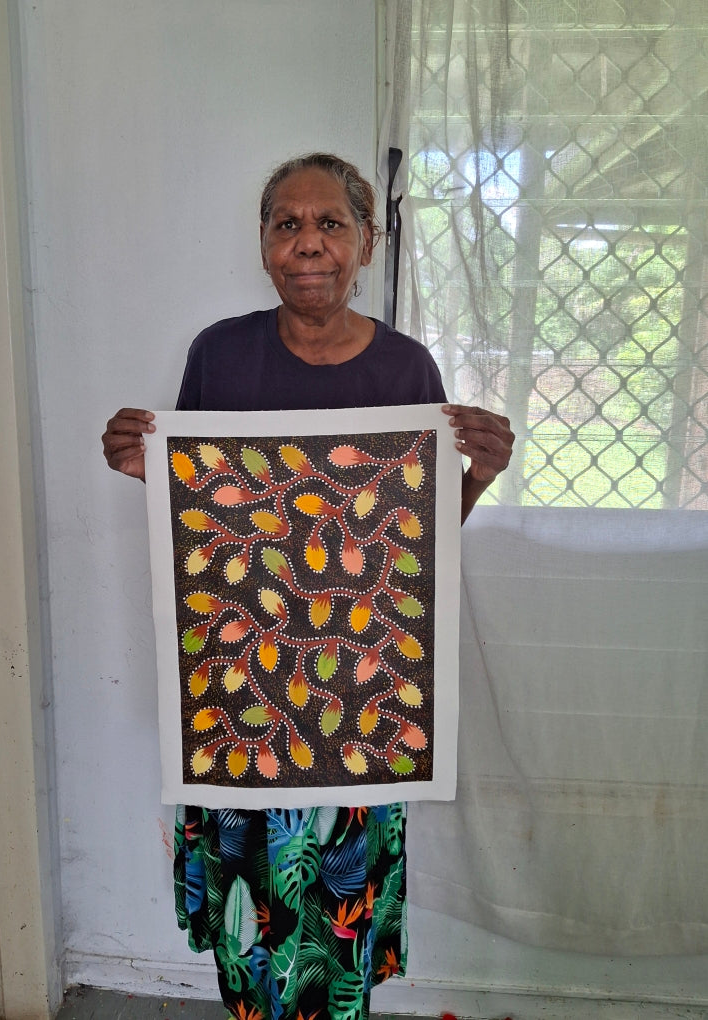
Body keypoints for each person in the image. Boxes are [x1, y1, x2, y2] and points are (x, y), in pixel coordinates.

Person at [102, 153, 513, 1020]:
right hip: (242, 695)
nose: (308, 243)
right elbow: (208, 519)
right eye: (286, 224)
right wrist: (147, 470)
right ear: (263, 245)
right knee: (253, 919)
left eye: (330, 223)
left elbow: (418, 543)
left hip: (356, 693)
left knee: (338, 915)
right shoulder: (218, 356)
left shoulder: (405, 373)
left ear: (364, 242)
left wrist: (474, 477)